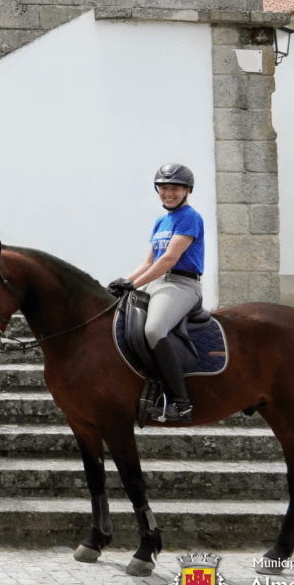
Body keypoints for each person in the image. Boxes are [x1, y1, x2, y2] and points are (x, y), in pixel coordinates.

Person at [108, 163, 206, 423]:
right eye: (164, 188)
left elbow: (169, 259)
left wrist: (135, 285)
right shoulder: (160, 222)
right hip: (157, 282)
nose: (169, 193)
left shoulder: (190, 217)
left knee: (153, 330)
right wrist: (124, 282)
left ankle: (180, 404)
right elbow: (149, 262)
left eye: (176, 188)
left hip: (182, 285)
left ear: (187, 190)